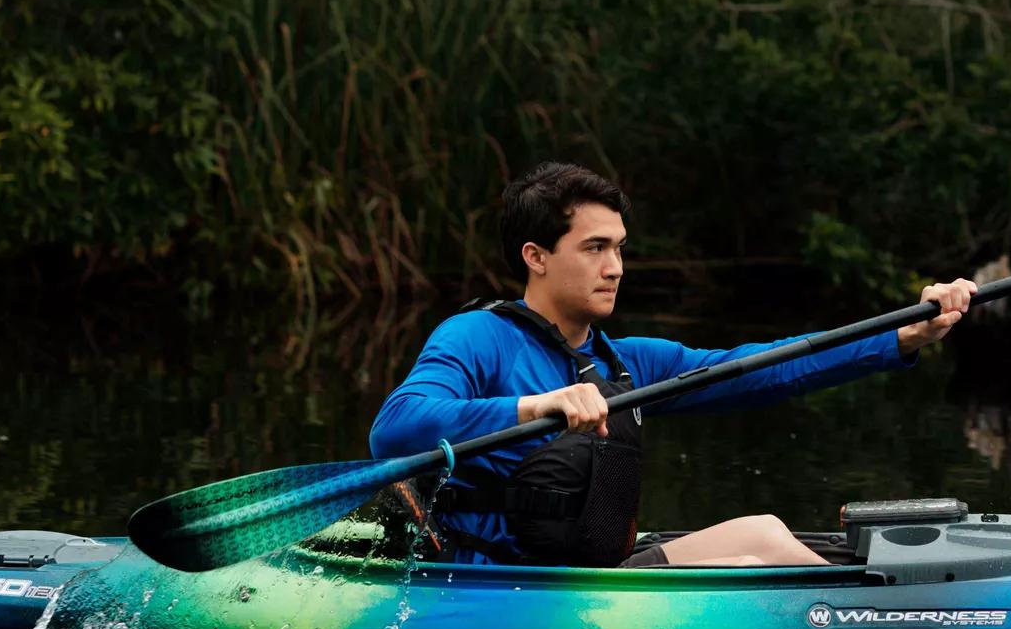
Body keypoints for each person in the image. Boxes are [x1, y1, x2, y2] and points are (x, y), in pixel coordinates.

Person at [369, 162, 976, 567]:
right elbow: (395, 428)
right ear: (537, 257)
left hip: (592, 579)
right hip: (495, 588)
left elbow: (766, 367)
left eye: (619, 248)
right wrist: (537, 406)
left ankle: (879, 612)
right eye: (594, 248)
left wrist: (904, 335)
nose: (616, 268)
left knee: (765, 535)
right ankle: (879, 624)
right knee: (759, 538)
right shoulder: (478, 338)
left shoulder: (629, 363)